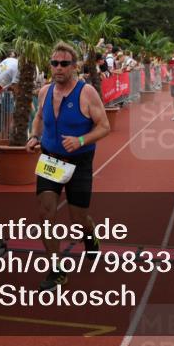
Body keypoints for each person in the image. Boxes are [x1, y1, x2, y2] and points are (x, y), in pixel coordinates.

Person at [26, 42, 110, 291]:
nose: (58, 68)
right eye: (54, 63)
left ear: (74, 66)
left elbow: (104, 126)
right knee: (45, 213)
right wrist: (33, 136)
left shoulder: (86, 93)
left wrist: (81, 140)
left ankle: (90, 232)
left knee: (78, 218)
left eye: (64, 63)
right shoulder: (44, 92)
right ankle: (56, 269)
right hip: (51, 159)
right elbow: (40, 117)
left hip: (79, 162)